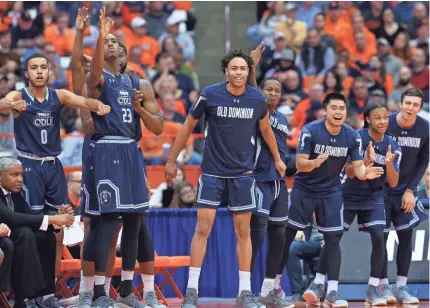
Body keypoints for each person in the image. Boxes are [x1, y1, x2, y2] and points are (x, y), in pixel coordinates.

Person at [165, 48, 286, 308]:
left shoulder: (257, 99)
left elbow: (266, 130)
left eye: (243, 68)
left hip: (242, 176)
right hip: (212, 174)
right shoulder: (210, 94)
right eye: (234, 68)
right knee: (202, 230)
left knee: (244, 233)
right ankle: (191, 291)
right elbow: (187, 126)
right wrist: (172, 160)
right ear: (226, 71)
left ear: (247, 71)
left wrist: (277, 158)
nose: (239, 72)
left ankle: (244, 292)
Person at [0, 44, 110, 291]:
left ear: (49, 72)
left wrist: (99, 106)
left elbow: (82, 100)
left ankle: (51, 286)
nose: (39, 72)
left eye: (43, 68)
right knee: (35, 226)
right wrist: (10, 107)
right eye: (34, 68)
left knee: (59, 227)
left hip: (53, 167)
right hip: (29, 165)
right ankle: (30, 289)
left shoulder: (58, 96)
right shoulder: (19, 96)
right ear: (26, 74)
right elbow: (2, 103)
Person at [81, 7, 163, 307]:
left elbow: (159, 126)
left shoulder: (138, 84)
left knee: (134, 220)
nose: (111, 44)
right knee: (108, 220)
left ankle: (128, 290)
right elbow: (90, 66)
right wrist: (100, 34)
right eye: (108, 43)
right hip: (107, 148)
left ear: (126, 57)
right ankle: (99, 292)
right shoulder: (99, 77)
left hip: (132, 149)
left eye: (116, 42)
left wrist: (140, 109)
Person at [274, 93, 384, 308]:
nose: (338, 112)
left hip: (331, 192)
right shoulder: (310, 130)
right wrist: (315, 162)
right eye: (334, 108)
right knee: (287, 238)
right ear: (325, 111)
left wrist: (365, 172)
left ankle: (332, 292)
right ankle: (274, 286)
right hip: (304, 190)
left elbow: (356, 170)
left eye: (342, 108)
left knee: (333, 239)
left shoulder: (352, 136)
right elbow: (300, 164)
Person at [320, 102, 402, 306]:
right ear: (368, 120)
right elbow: (348, 172)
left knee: (379, 237)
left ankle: (373, 289)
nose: (382, 122)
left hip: (374, 197)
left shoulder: (393, 144)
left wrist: (389, 163)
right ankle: (319, 283)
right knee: (333, 238)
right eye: (377, 118)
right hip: (347, 195)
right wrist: (365, 162)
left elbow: (393, 182)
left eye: (385, 117)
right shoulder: (356, 138)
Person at [0, 156, 74, 308]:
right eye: (14, 175)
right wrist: (53, 220)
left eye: (21, 175)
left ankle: (43, 296)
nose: (20, 179)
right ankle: (22, 299)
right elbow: (11, 217)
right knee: (24, 233)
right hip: (3, 237)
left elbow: (29, 216)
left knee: (45, 237)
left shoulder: (14, 193)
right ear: (0, 176)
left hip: (9, 235)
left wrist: (57, 221)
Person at [381, 88, 429, 305]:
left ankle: (401, 286)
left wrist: (410, 190)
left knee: (406, 236)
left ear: (420, 108)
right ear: (400, 104)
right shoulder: (385, 123)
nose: (411, 108)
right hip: (381, 189)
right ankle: (380, 286)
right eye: (407, 103)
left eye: (415, 105)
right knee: (379, 238)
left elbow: (423, 162)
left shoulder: (425, 128)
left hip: (406, 190)